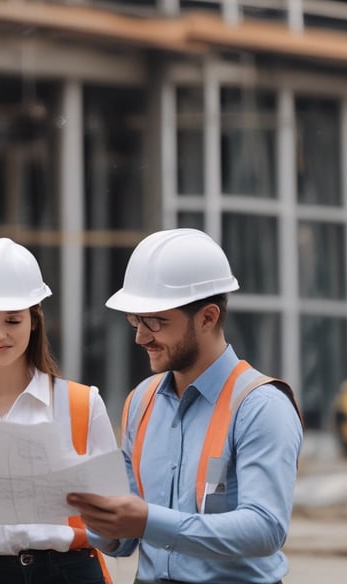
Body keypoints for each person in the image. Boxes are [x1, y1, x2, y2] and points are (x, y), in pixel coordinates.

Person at [67, 228, 304, 584]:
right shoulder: (141, 401)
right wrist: (98, 516)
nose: (141, 337)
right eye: (135, 321)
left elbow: (265, 528)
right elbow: (124, 541)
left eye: (156, 323)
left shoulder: (261, 406)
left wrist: (148, 520)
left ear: (207, 318)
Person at [0, 237, 118, 584]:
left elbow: (116, 526)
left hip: (71, 571)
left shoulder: (81, 405)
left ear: (34, 320)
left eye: (12, 321)